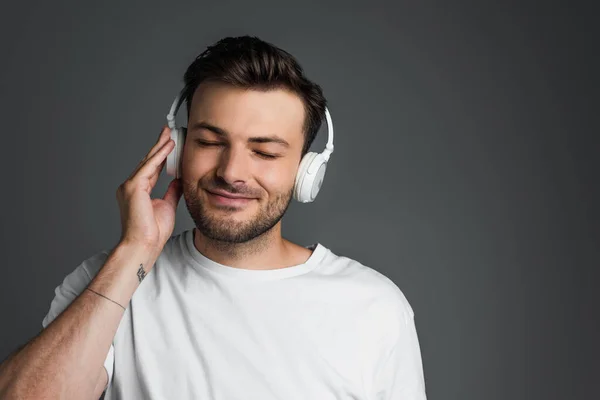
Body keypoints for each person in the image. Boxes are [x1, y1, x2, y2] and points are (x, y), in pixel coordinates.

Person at [0, 35, 427, 399]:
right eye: (208, 141)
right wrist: (135, 252)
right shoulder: (109, 282)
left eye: (264, 152)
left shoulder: (374, 308)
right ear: (177, 151)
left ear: (306, 172)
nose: (231, 172)